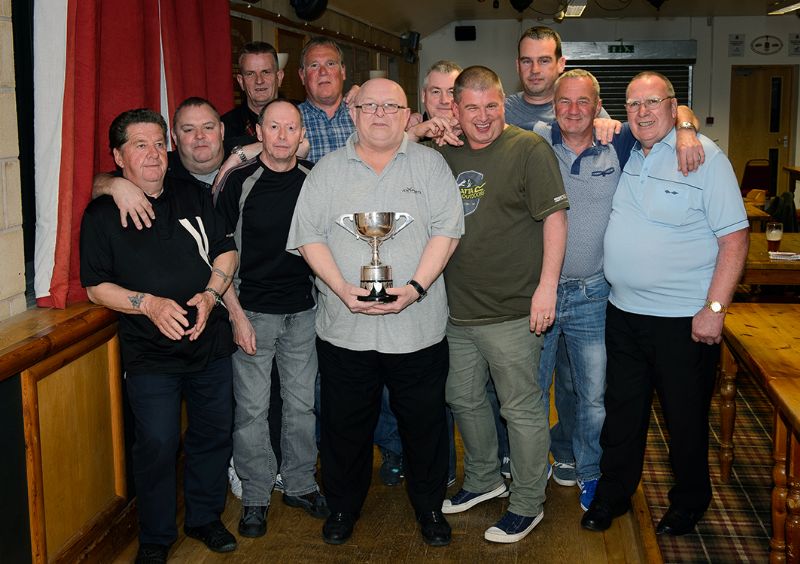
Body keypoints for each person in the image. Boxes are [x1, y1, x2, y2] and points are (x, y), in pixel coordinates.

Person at [287, 78, 464, 547]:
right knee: (345, 429)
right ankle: (343, 508)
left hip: (418, 328)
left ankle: (429, 509)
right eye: (370, 106)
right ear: (354, 112)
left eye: (392, 106)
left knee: (425, 426)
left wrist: (416, 287)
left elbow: (446, 232)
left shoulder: (432, 166)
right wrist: (343, 288)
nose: (380, 114)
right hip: (345, 329)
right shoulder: (326, 171)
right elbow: (309, 237)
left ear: (408, 115)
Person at [581, 71, 748, 535]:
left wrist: (714, 310)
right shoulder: (628, 153)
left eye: (652, 102)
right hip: (624, 313)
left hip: (683, 321)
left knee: (684, 419)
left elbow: (735, 238)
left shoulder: (704, 158)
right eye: (633, 104)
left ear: (674, 108)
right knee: (623, 413)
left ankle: (689, 501)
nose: (642, 112)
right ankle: (613, 495)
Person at [80, 108, 238, 564]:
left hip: (209, 343)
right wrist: (147, 303)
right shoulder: (101, 215)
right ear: (118, 156)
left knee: (212, 434)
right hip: (150, 356)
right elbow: (95, 287)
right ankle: (155, 535)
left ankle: (205, 518)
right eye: (139, 145)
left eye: (157, 143)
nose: (152, 154)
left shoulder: (194, 193)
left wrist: (210, 296)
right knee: (158, 443)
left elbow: (227, 254)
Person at [437, 66, 568, 544]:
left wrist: (547, 287)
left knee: (522, 409)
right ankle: (484, 478)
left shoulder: (528, 149)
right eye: (471, 107)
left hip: (514, 309)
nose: (483, 117)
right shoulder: (443, 151)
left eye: (491, 105)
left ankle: (528, 501)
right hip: (457, 309)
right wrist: (426, 127)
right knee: (463, 398)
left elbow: (554, 219)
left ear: (502, 103)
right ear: (455, 109)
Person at [215, 99, 328, 538]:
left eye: (291, 128)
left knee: (301, 406)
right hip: (252, 313)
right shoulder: (238, 182)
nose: (282, 136)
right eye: (273, 127)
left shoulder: (315, 178)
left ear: (302, 135)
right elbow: (220, 255)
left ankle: (299, 483)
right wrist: (236, 316)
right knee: (251, 410)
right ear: (258, 132)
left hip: (303, 312)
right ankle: (257, 495)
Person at [93, 97, 226, 230]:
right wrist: (116, 185)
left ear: (221, 130)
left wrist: (241, 155)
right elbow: (96, 183)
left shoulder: (240, 159)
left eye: (208, 127)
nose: (200, 136)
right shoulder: (160, 166)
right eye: (188, 130)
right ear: (174, 136)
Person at [297, 37, 355, 163]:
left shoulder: (365, 115)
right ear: (302, 76)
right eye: (314, 65)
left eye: (330, 64)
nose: (323, 72)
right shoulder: (289, 122)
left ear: (343, 71)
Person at [221, 41, 284, 153]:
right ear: (241, 81)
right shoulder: (224, 127)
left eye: (266, 72)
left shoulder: (302, 116)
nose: (259, 81)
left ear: (279, 77)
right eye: (250, 74)